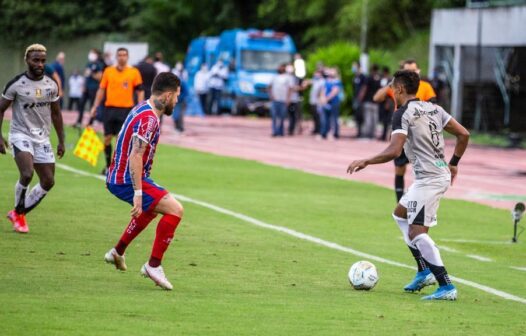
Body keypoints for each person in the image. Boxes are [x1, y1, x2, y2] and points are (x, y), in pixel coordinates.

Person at [347, 70, 469, 300]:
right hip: (431, 175)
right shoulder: (435, 109)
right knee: (400, 214)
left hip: (431, 179)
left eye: (393, 87)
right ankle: (424, 270)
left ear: (400, 89)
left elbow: (394, 150)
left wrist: (366, 160)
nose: (392, 91)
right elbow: (464, 134)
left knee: (417, 232)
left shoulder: (402, 113)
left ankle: (446, 285)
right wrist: (453, 164)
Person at [104, 72, 183, 290]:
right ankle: (153, 265)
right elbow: (135, 156)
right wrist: (138, 193)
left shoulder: (143, 108)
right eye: (176, 96)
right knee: (175, 210)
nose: (177, 101)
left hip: (120, 176)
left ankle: (117, 252)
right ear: (167, 96)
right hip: (125, 180)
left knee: (151, 209)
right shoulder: (149, 119)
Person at [0, 44, 65, 233]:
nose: (40, 64)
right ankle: (20, 216)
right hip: (20, 134)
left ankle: (18, 212)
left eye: (43, 60)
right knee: (27, 174)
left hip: (42, 138)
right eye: (36, 60)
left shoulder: (51, 84)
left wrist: (61, 140)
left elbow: (56, 114)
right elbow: (1, 109)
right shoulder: (16, 84)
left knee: (48, 181)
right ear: (27, 60)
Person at [373, 59, 437, 202]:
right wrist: (391, 84)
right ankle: (400, 202)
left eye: (413, 70)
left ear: (419, 71)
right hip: (401, 129)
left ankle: (421, 199)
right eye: (407, 71)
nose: (411, 73)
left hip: (420, 131)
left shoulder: (426, 86)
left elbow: (433, 106)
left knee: (423, 168)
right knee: (399, 167)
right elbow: (377, 98)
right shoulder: (398, 86)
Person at [90, 47, 144, 175]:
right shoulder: (108, 71)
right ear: (116, 57)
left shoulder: (134, 72)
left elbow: (140, 90)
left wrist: (140, 106)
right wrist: (95, 106)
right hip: (110, 109)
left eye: (124, 55)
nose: (122, 57)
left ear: (128, 57)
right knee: (107, 138)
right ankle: (109, 166)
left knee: (122, 140)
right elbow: (101, 89)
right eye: (119, 55)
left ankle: (120, 167)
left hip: (126, 110)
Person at [76, 49, 104, 127]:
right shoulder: (88, 64)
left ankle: (91, 122)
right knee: (81, 104)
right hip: (87, 87)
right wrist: (84, 85)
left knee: (93, 105)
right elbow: (85, 75)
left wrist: (91, 73)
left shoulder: (99, 64)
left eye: (93, 53)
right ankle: (79, 121)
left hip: (94, 88)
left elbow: (99, 77)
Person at [268, 64, 292, 137]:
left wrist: (288, 99)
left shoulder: (287, 78)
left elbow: (290, 89)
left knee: (282, 117)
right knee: (274, 116)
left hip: (283, 100)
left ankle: (280, 131)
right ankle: (274, 131)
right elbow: (269, 87)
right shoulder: (274, 77)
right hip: (275, 100)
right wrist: (271, 95)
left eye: (281, 67)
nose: (280, 69)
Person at [358, 64, 381, 139]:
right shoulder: (379, 79)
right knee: (375, 119)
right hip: (376, 102)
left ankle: (367, 134)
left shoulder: (368, 78)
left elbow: (364, 88)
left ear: (371, 70)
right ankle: (373, 134)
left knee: (368, 118)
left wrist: (360, 97)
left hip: (367, 101)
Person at [320, 67, 342, 140]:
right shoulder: (327, 81)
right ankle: (324, 133)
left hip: (334, 102)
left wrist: (326, 99)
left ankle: (335, 133)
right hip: (326, 102)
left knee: (334, 118)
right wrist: (322, 98)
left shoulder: (337, 81)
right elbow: (323, 90)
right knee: (325, 118)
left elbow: (335, 91)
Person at [307, 69, 325, 135]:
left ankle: (319, 129)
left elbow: (322, 91)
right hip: (313, 101)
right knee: (314, 116)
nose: (315, 75)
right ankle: (316, 129)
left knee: (318, 117)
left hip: (318, 102)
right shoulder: (316, 81)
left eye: (317, 73)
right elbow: (309, 81)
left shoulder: (322, 81)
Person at [352, 62, 366, 138]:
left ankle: (362, 132)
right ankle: (358, 132)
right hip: (355, 98)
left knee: (361, 116)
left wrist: (360, 97)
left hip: (360, 100)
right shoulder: (355, 77)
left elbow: (364, 87)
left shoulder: (362, 76)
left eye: (354, 66)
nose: (353, 68)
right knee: (357, 116)